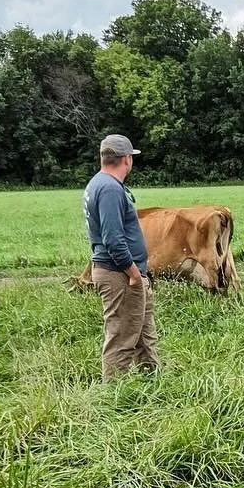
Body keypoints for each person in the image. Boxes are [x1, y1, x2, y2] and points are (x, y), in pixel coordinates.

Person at [86, 133, 158, 380]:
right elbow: (113, 239)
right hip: (120, 274)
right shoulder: (109, 189)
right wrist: (134, 273)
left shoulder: (100, 184)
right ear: (127, 159)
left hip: (122, 271)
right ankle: (115, 394)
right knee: (121, 338)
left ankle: (152, 383)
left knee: (144, 333)